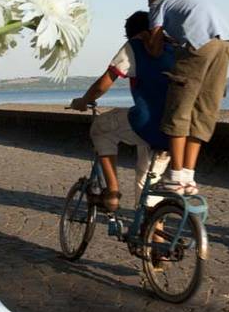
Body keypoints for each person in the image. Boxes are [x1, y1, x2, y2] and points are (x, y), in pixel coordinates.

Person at [70, 11, 174, 211]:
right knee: (147, 183)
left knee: (100, 127)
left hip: (147, 124)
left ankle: (112, 193)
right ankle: (153, 232)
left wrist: (84, 101)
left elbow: (104, 83)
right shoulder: (174, 47)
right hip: (173, 130)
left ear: (133, 34)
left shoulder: (135, 46)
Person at [143, 0, 229, 195]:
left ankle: (174, 176)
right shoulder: (190, 0)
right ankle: (188, 177)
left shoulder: (160, 3)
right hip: (225, 45)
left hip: (198, 45)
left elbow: (154, 49)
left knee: (179, 109)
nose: (148, 3)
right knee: (203, 112)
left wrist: (148, 38)